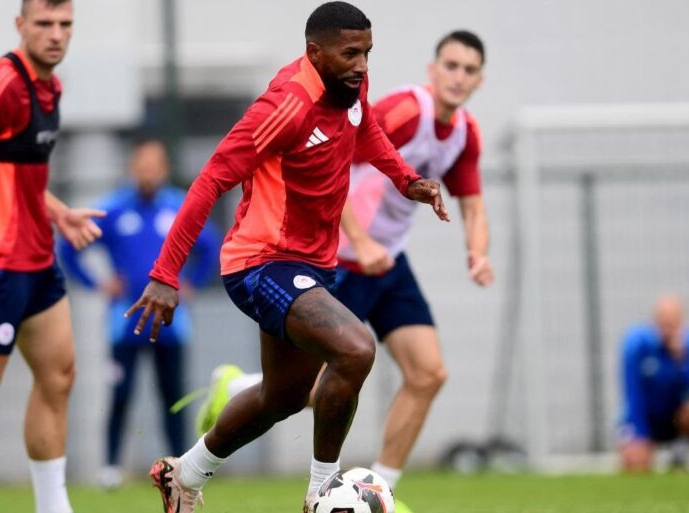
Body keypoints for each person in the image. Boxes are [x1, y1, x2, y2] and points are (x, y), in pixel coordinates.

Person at [124, 3, 449, 512]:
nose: (362, 65)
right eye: (350, 54)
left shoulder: (351, 86)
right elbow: (209, 181)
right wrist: (165, 273)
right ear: (314, 53)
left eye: (367, 52)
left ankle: (182, 474)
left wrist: (406, 180)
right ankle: (322, 493)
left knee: (284, 397)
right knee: (356, 349)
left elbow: (366, 128)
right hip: (261, 262)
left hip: (313, 265)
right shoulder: (285, 106)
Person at [192, 29, 492, 512]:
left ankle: (381, 492)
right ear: (433, 70)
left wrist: (478, 253)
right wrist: (361, 240)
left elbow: (472, 205)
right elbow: (336, 164)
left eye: (469, 70)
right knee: (324, 377)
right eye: (451, 66)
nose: (459, 77)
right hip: (345, 258)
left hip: (389, 260)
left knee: (428, 373)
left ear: (480, 81)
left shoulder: (464, 133)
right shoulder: (405, 110)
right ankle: (242, 391)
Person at [58, 138, 221, 489]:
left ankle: (182, 467)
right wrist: (97, 284)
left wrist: (191, 283)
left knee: (174, 397)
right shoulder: (114, 210)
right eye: (142, 165)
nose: (148, 172)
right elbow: (70, 247)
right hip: (125, 321)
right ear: (133, 169)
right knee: (120, 394)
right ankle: (111, 468)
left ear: (164, 169)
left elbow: (211, 247)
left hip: (171, 323)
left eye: (154, 165)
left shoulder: (179, 206)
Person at [0, 1, 106, 512]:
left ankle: (52, 507)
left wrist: (59, 213)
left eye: (65, 25)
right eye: (44, 24)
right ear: (21, 26)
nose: (56, 34)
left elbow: (16, 174)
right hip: (2, 263)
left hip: (38, 260)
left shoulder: (50, 86)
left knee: (59, 375)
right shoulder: (6, 86)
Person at [618, 294, 689, 472]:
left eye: (672, 323)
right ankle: (644, 447)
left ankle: (681, 444)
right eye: (663, 322)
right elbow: (633, 394)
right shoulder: (637, 344)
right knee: (635, 464)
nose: (667, 329)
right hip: (646, 418)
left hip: (676, 419)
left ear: (682, 322)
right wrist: (640, 435)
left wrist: (681, 359)